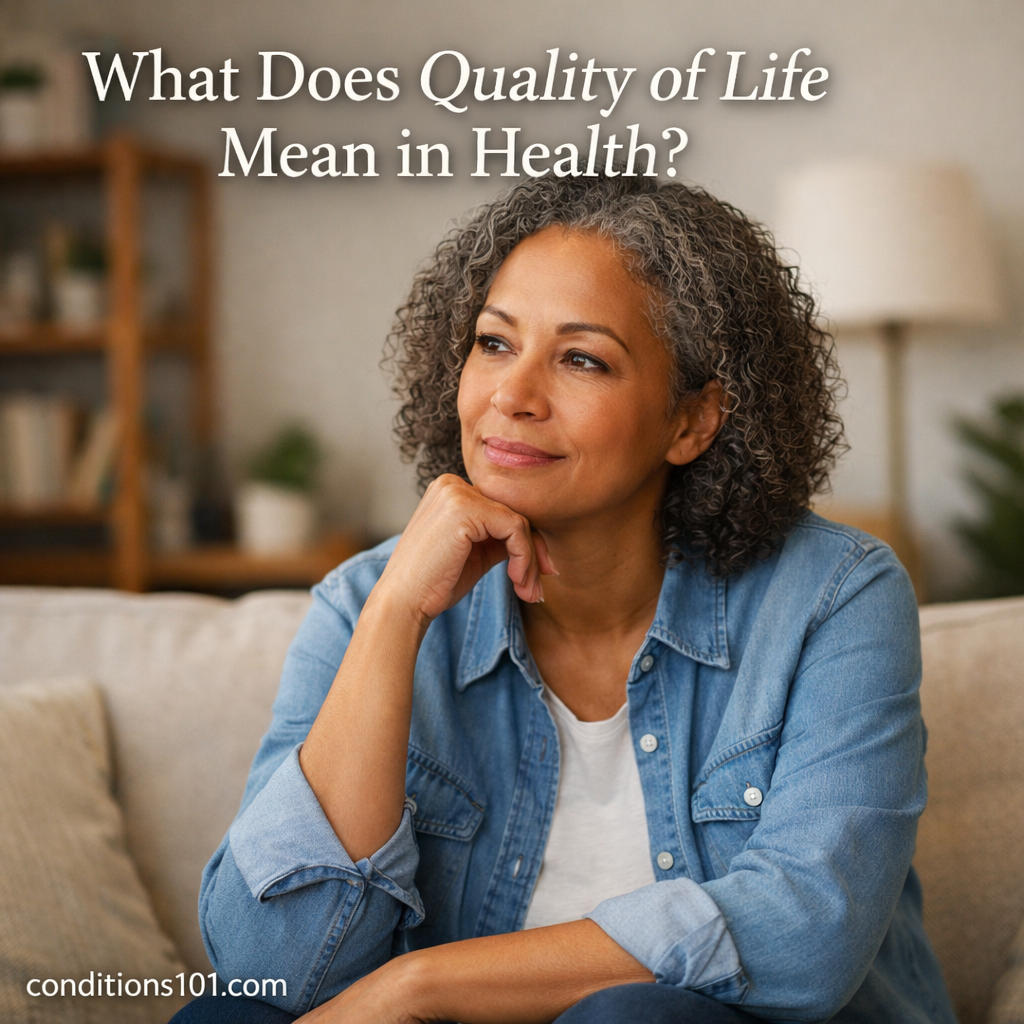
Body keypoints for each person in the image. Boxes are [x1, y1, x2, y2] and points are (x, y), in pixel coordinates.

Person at [176, 175, 957, 1024]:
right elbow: (271, 969)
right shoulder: (365, 600)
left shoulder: (833, 597)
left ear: (692, 422)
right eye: (494, 344)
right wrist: (395, 619)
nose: (512, 396)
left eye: (582, 358)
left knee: (636, 1018)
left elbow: (805, 934)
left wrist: (420, 985)